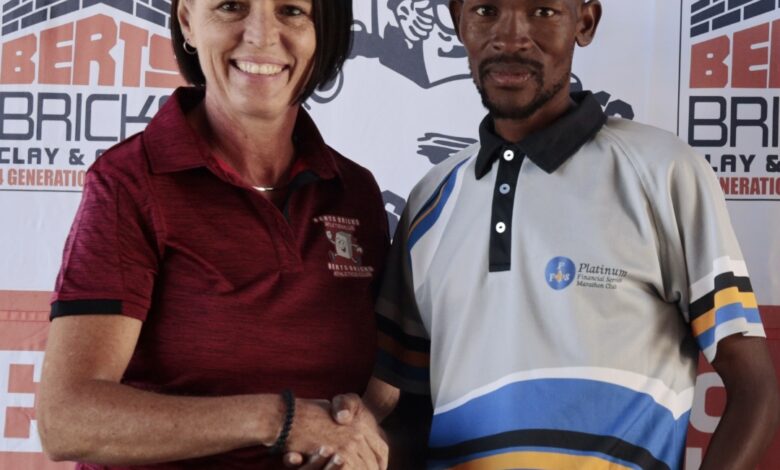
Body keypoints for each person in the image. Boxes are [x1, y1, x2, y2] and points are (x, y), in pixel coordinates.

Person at [333, 0, 780, 469]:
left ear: (584, 22)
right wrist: (345, 442)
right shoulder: (429, 200)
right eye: (485, 10)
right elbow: (412, 416)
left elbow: (754, 390)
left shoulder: (663, 173)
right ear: (457, 20)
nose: (510, 37)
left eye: (542, 11)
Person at [36, 1, 389, 469]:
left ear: (324, 31)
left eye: (291, 10)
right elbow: (67, 419)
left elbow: (388, 387)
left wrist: (359, 431)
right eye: (231, 6)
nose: (262, 35)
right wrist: (279, 419)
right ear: (187, 21)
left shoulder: (354, 192)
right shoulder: (131, 184)